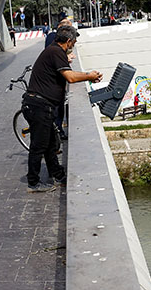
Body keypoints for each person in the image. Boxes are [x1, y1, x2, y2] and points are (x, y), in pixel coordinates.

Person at [23, 26, 102, 192]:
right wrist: (89, 76)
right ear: (68, 41)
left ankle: (58, 175)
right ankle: (33, 182)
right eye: (74, 42)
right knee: (39, 146)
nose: (74, 45)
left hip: (41, 106)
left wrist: (87, 77)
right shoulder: (56, 52)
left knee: (51, 144)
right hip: (39, 106)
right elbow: (70, 77)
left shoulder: (54, 50)